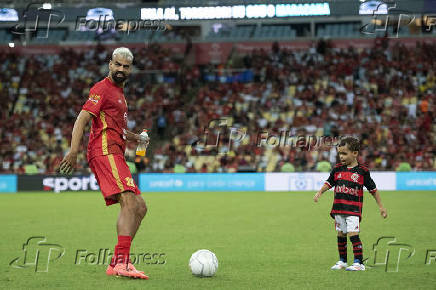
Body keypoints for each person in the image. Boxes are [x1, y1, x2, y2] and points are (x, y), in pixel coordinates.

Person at [59, 47, 150, 279]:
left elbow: (117, 129)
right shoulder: (102, 89)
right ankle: (122, 263)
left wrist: (137, 138)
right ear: (110, 64)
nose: (121, 69)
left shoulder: (119, 94)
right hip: (104, 151)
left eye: (125, 66)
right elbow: (82, 119)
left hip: (116, 152)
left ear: (130, 69)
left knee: (140, 207)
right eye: (117, 65)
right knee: (129, 202)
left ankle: (116, 263)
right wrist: (73, 151)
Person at [313, 137, 387, 271]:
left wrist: (381, 207)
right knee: (341, 234)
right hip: (339, 209)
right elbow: (329, 183)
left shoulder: (362, 171)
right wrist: (320, 192)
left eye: (344, 153)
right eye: (339, 153)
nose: (341, 156)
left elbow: (373, 190)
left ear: (355, 153)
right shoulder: (337, 169)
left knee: (353, 235)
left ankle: (358, 263)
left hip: (353, 209)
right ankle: (343, 261)